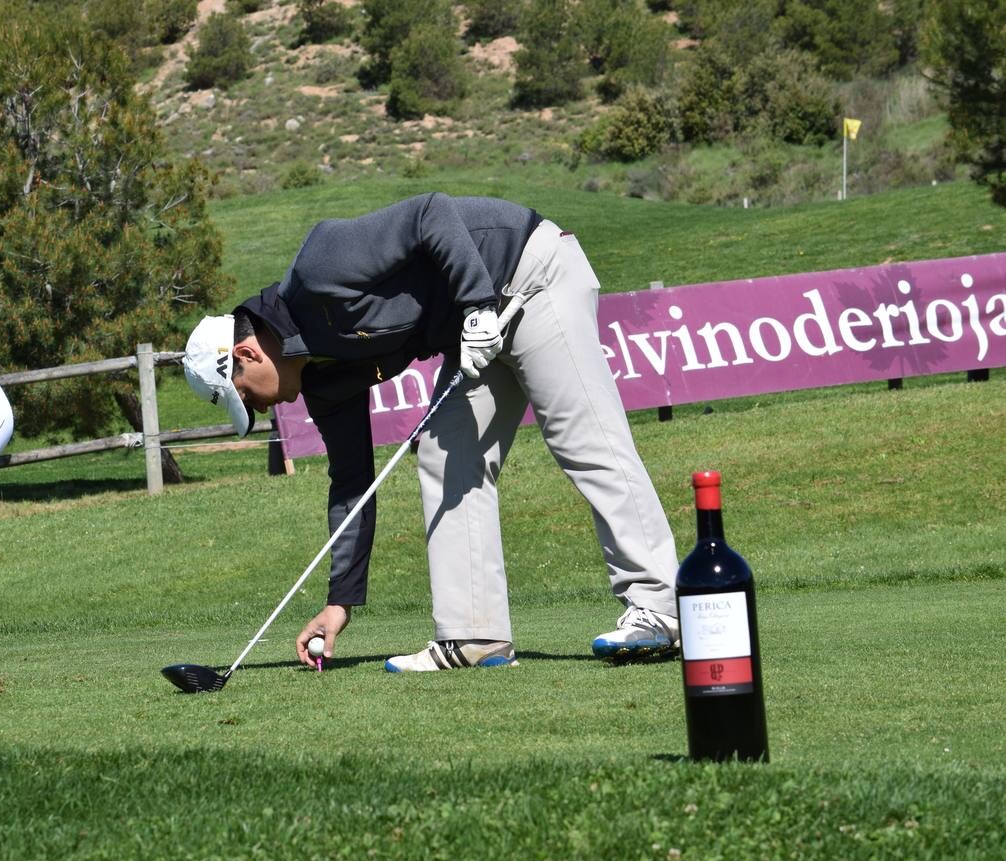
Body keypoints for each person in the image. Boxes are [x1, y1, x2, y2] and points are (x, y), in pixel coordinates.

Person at [182, 192, 680, 672]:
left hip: (528, 273)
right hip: (476, 326)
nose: (260, 406)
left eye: (245, 395)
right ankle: (473, 635)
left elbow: (430, 212)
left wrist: (477, 305)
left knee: (583, 439)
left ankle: (661, 608)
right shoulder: (324, 382)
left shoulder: (319, 268)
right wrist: (340, 601)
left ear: (246, 355)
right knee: (446, 457)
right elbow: (353, 485)